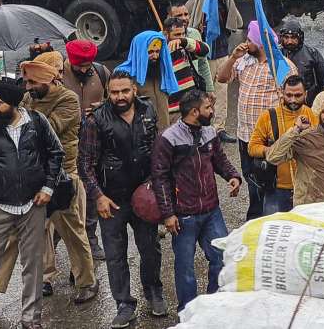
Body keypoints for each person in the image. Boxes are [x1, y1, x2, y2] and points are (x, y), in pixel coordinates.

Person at [0, 52, 99, 305]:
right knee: (15, 235)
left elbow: (42, 131)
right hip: (31, 179)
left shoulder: (68, 100)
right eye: (26, 83)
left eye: (32, 83)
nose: (27, 87)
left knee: (74, 234)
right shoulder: (28, 99)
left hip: (61, 178)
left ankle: (87, 282)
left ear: (49, 79)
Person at [0, 78, 64, 329]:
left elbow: (56, 154)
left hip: (33, 205)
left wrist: (48, 187)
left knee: (33, 265)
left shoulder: (38, 123)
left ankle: (31, 319)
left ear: (14, 103)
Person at [79, 71, 165, 328]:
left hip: (143, 196)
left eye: (124, 91)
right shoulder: (95, 121)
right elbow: (85, 164)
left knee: (150, 249)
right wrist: (98, 196)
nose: (120, 97)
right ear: (108, 92)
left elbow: (157, 149)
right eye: (114, 92)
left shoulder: (148, 111)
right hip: (112, 200)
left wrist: (157, 185)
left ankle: (154, 292)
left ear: (134, 90)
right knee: (116, 256)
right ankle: (124, 305)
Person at [150, 89, 241, 311]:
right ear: (194, 112)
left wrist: (233, 176)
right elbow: (159, 178)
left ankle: (212, 306)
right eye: (208, 108)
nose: (212, 111)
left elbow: (219, 160)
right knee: (185, 269)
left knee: (222, 258)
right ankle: (188, 314)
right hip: (183, 215)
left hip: (212, 211)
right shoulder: (168, 139)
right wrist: (168, 214)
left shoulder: (209, 132)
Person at [214, 20, 298, 220]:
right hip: (245, 135)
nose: (245, 43)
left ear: (261, 44)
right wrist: (233, 57)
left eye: (250, 40)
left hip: (268, 139)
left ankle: (263, 218)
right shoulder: (244, 61)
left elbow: (293, 97)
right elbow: (222, 78)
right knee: (251, 178)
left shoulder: (282, 66)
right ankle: (257, 213)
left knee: (268, 181)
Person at [265, 89, 324, 206]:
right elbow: (273, 157)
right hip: (309, 210)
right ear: (319, 113)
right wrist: (295, 130)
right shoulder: (305, 138)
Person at [63, 38, 110, 260]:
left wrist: (102, 107)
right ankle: (55, 245)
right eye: (79, 66)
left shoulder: (101, 72)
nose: (84, 70)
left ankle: (91, 238)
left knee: (91, 191)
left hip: (93, 141)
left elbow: (116, 100)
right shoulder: (58, 75)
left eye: (87, 66)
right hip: (66, 144)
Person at [184, 0, 244, 144]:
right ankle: (203, 128)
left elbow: (234, 22)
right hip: (206, 57)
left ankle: (219, 129)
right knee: (205, 94)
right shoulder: (199, 5)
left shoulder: (225, 5)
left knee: (222, 93)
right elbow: (189, 22)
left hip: (222, 53)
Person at [247, 75, 318, 215]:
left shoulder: (311, 115)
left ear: (306, 94)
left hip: (305, 187)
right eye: (289, 95)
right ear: (281, 93)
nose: (293, 100)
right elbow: (252, 147)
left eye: (298, 95)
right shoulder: (268, 116)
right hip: (276, 189)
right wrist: (274, 151)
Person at [116, 30, 175, 130]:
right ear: (140, 51)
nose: (155, 56)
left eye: (157, 52)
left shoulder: (163, 71)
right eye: (150, 52)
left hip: (163, 134)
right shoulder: (123, 75)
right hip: (138, 135)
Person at [278, 17, 324, 106]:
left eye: (293, 37)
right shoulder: (277, 54)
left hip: (307, 104)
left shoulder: (312, 54)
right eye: (286, 37)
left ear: (300, 37)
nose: (289, 41)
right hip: (283, 103)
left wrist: (317, 103)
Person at [163, 16, 207, 121]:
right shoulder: (160, 51)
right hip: (172, 110)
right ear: (166, 34)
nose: (180, 37)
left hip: (190, 108)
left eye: (183, 34)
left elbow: (205, 51)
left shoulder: (185, 47)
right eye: (177, 35)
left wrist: (185, 42)